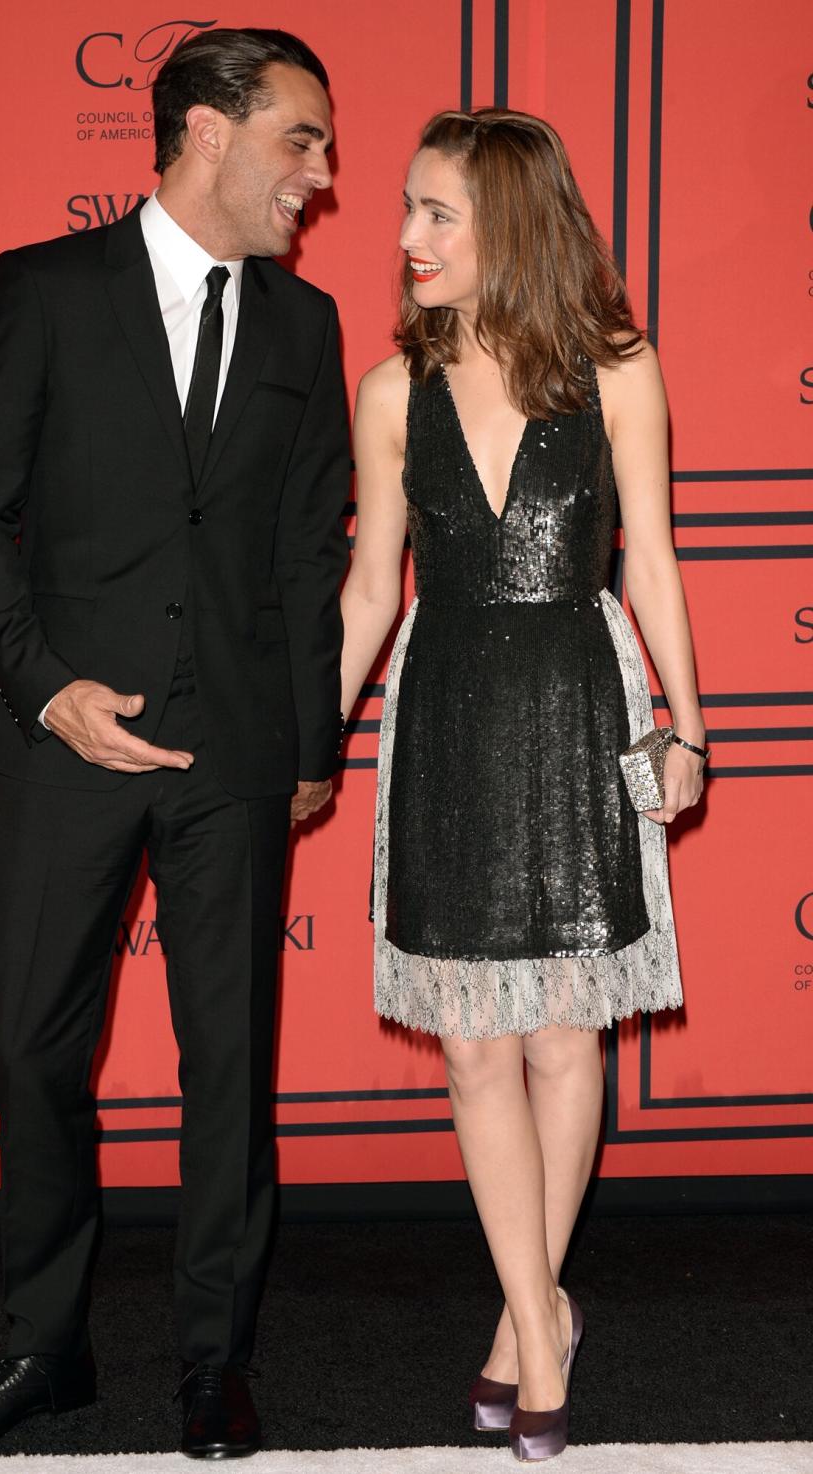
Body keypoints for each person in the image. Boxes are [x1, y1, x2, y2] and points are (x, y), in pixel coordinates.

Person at [0, 28, 347, 1461]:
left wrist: (310, 740)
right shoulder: (40, 291)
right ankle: (49, 1347)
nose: (322, 175)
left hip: (234, 750)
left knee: (229, 1063)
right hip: (63, 744)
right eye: (302, 138)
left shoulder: (305, 324)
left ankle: (213, 1362)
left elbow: (302, 550)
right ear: (209, 131)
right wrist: (43, 689)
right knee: (38, 1046)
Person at [340, 108, 706, 1463]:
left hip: (575, 700)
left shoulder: (616, 369)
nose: (405, 238)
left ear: (508, 220)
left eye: (436, 211)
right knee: (475, 1047)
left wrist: (692, 726)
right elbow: (374, 590)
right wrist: (307, 744)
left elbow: (653, 560)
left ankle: (522, 1327)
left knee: (564, 1037)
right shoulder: (391, 391)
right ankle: (545, 1317)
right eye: (407, 208)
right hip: (447, 717)